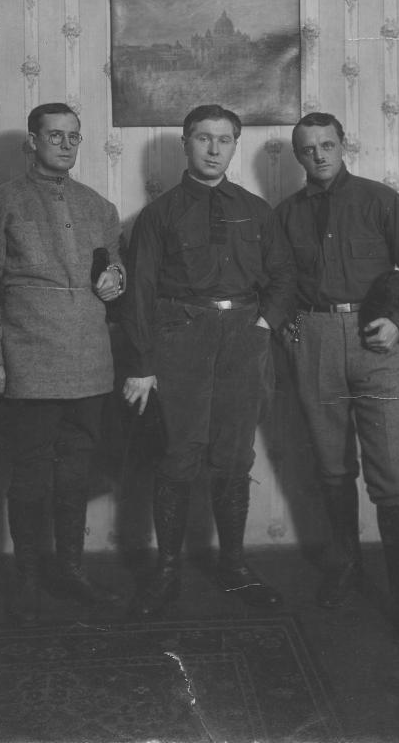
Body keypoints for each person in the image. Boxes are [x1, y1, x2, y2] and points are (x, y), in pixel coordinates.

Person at [119, 104, 296, 618]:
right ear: (186, 144)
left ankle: (234, 565)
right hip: (181, 341)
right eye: (203, 138)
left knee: (234, 456)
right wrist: (145, 363)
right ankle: (168, 568)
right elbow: (141, 293)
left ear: (235, 145)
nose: (214, 149)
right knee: (178, 453)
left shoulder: (257, 210)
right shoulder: (159, 214)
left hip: (244, 338)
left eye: (224, 139)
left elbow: (283, 277)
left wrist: (264, 324)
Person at [0, 102, 125, 624]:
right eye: (55, 135)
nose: (66, 144)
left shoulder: (99, 206)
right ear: (32, 141)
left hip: (91, 363)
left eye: (74, 136)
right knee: (30, 477)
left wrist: (115, 277)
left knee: (75, 474)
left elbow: (113, 268)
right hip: (28, 361)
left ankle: (69, 571)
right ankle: (28, 577)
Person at [276, 112, 399, 651]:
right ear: (298, 157)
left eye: (327, 144)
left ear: (343, 145)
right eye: (307, 149)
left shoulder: (379, 200)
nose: (319, 155)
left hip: (377, 340)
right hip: (315, 340)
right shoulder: (286, 214)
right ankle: (346, 565)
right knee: (331, 462)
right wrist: (289, 329)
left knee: (391, 471)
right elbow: (275, 282)